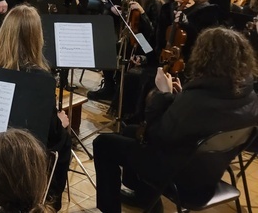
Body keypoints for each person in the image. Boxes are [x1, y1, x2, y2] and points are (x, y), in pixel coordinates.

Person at [93, 28, 258, 213]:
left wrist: (162, 95)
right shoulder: (249, 95)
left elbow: (154, 134)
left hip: (180, 174)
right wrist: (178, 99)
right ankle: (143, 197)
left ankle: (110, 209)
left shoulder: (197, 99)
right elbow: (198, 123)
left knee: (103, 143)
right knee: (129, 131)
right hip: (210, 170)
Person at [0, 5, 71, 210]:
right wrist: (60, 124)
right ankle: (48, 204)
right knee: (63, 140)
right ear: (36, 38)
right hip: (14, 164)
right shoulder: (40, 78)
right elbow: (46, 134)